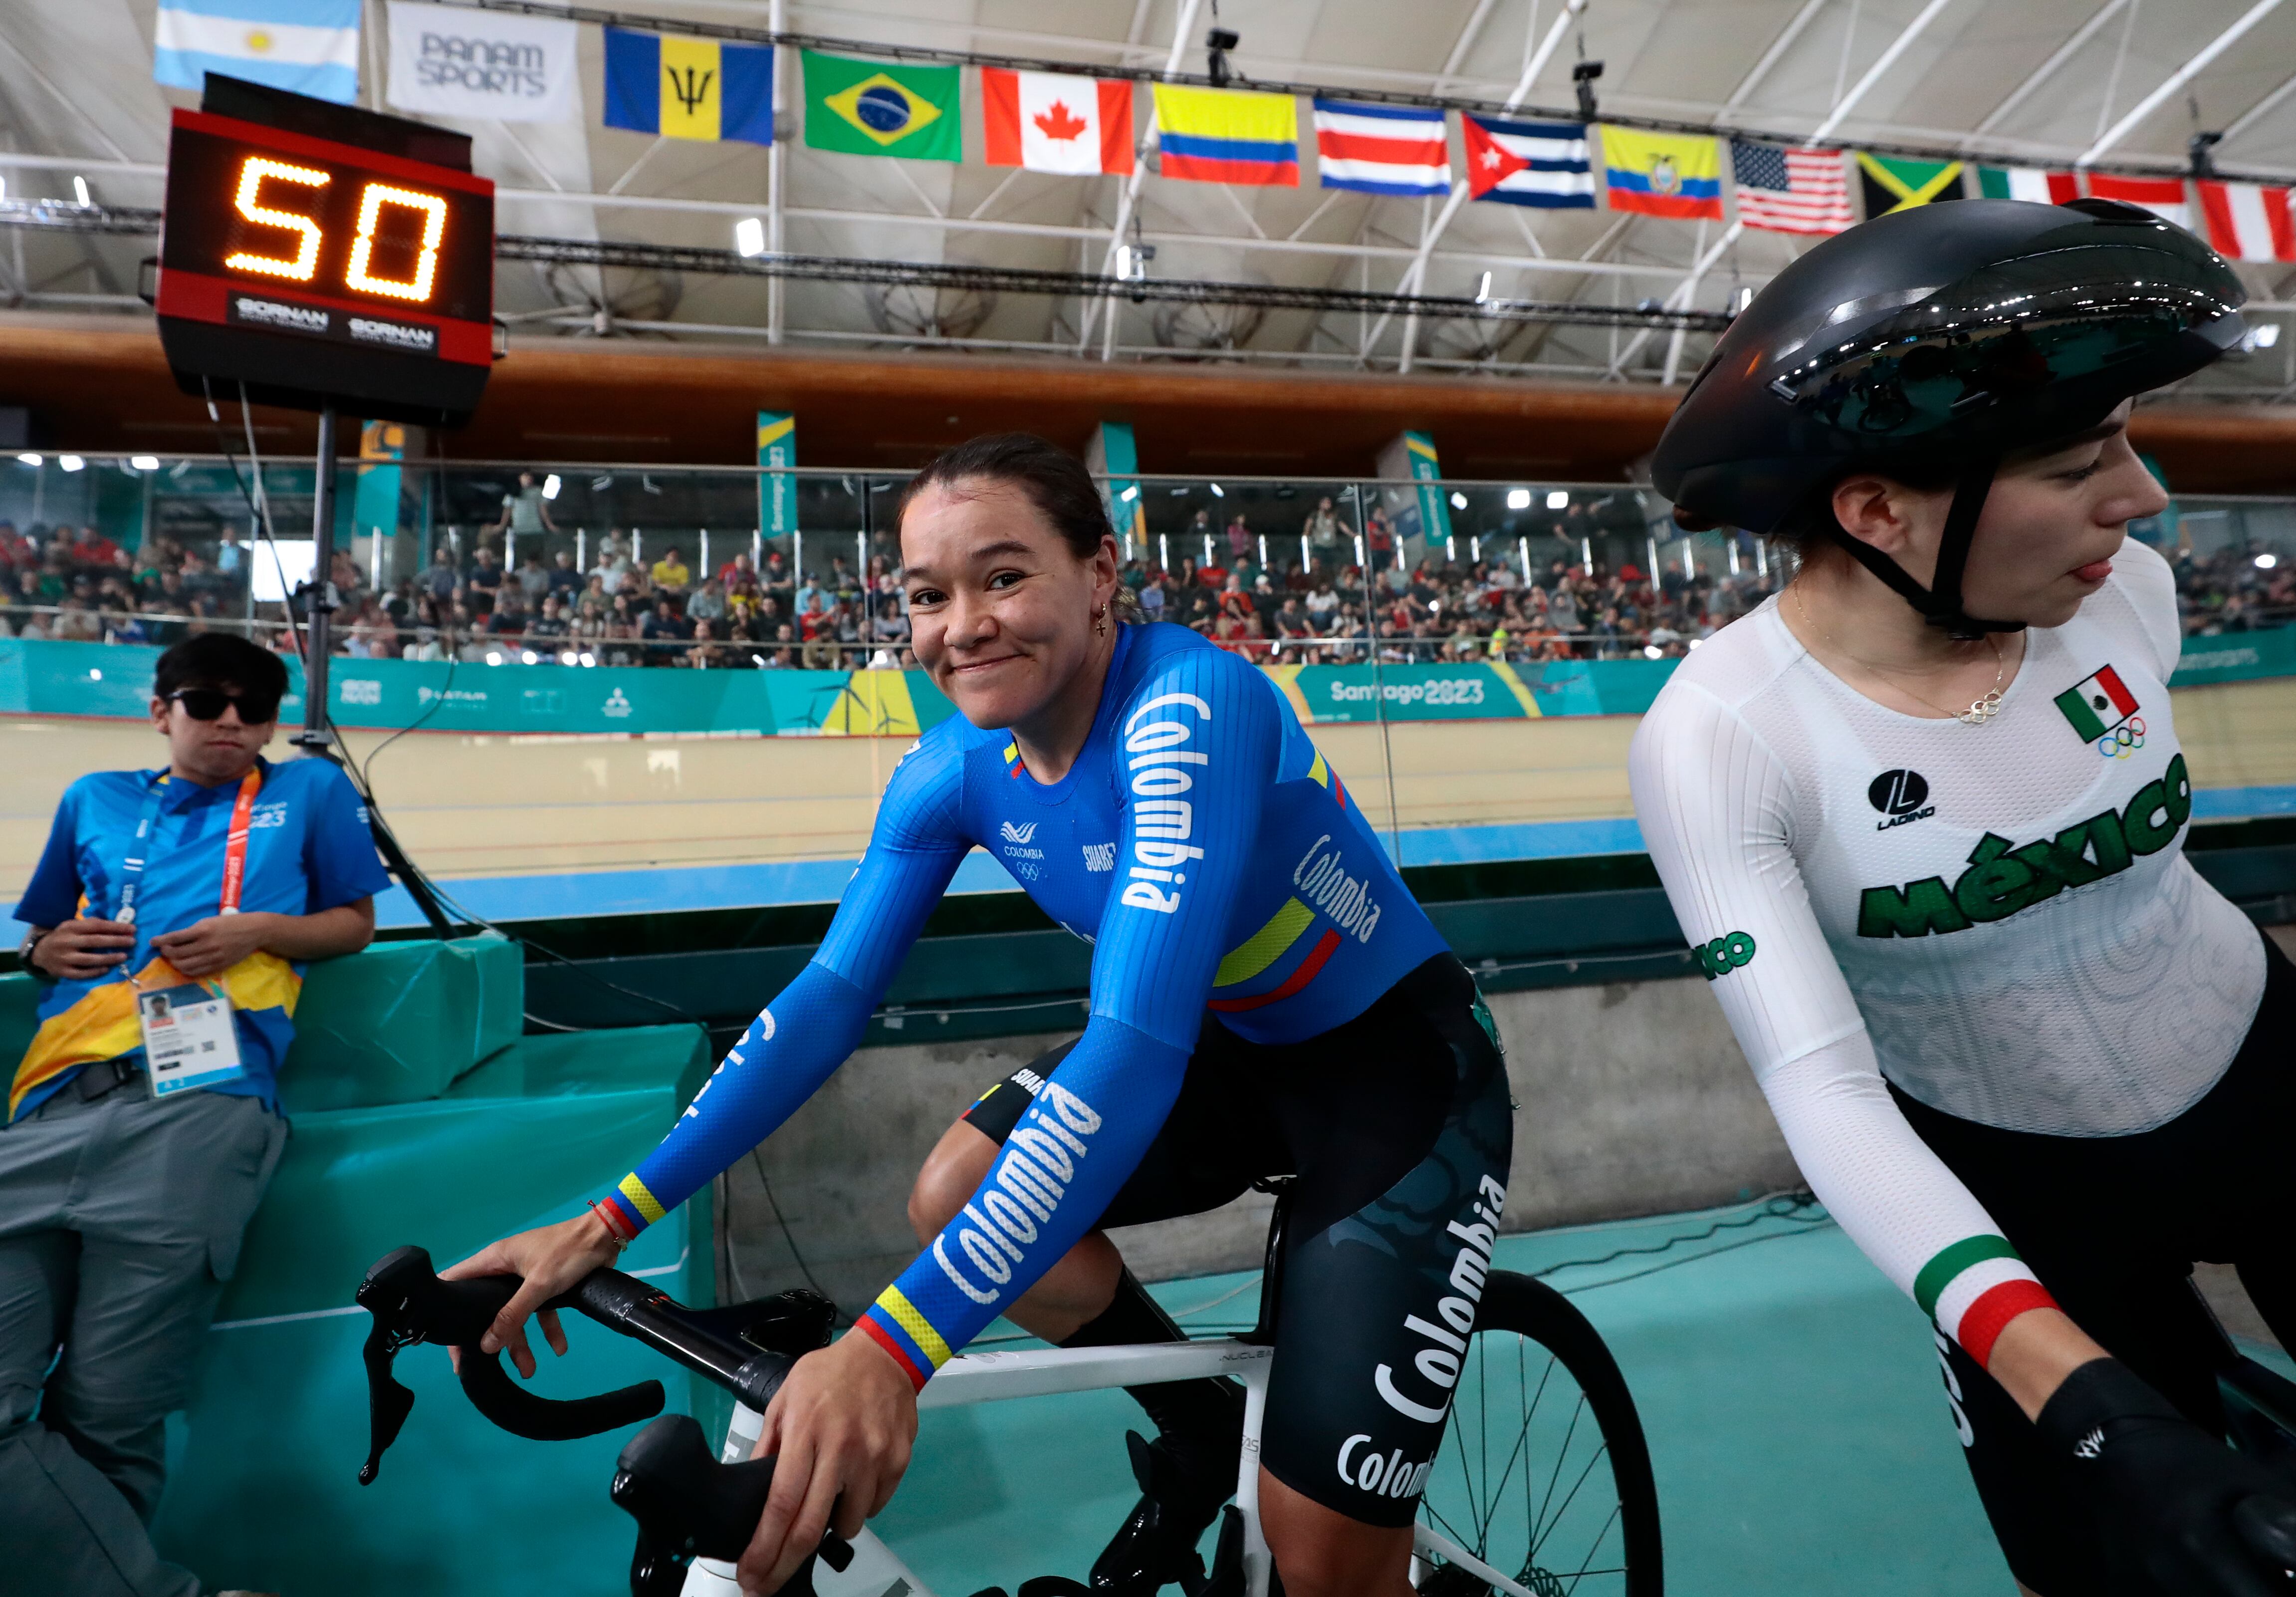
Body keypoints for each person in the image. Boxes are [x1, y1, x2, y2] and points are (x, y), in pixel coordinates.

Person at [450, 434, 1511, 1597]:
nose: (963, 625)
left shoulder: (1191, 705)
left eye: (1004, 577)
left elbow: (1135, 1043)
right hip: (1233, 1050)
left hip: (1395, 1079)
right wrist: (609, 1219)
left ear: (1101, 575)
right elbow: (828, 997)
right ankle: (1197, 1423)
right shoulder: (949, 773)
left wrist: (894, 1347)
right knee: (954, 1185)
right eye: (927, 594)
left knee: (1323, 1574)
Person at [1631, 197, 2296, 1597]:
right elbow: (1827, 1094)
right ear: (1878, 511)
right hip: (2023, 1191)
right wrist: (2090, 1408)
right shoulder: (1722, 739)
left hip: (2289, 1092)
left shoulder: (2126, 593)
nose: (2143, 499)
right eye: (2076, 461)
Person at [1, 633, 388, 1597]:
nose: (231, 723)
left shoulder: (310, 793)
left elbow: (354, 922)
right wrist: (48, 949)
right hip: (47, 1110)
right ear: (160, 709)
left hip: (199, 1111)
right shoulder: (94, 797)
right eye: (208, 703)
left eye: (254, 708)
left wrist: (259, 930)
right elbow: (42, 931)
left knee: (108, 1416)